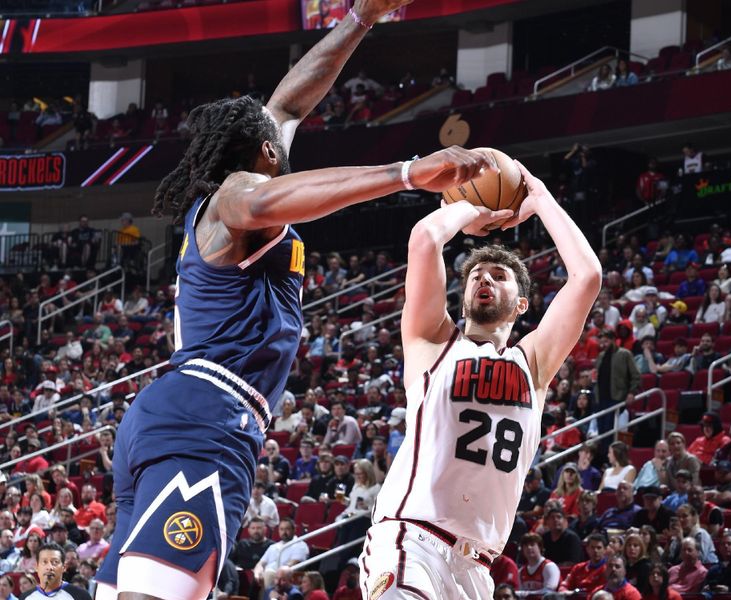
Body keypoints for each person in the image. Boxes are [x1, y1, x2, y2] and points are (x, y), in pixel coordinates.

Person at [94, 4, 499, 599]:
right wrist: (409, 172)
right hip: (207, 418)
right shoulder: (234, 196)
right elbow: (260, 199)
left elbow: (288, 103)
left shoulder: (241, 175)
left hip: (174, 416)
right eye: (275, 142)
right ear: (263, 152)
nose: (285, 138)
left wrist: (362, 17)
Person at [359, 160, 602, 598]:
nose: (484, 278)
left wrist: (540, 198)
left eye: (499, 275)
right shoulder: (432, 341)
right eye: (475, 274)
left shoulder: (534, 363)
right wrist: (472, 207)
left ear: (522, 304)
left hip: (476, 568)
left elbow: (586, 278)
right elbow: (425, 238)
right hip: (411, 539)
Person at [253, 518, 309, 590]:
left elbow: (293, 563)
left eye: (287, 529)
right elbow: (260, 564)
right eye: (281, 529)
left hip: (282, 576)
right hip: (267, 575)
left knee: (269, 574)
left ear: (294, 530)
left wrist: (276, 574)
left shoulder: (300, 545)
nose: (284, 532)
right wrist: (257, 574)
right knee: (255, 577)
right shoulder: (273, 546)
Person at [25, 543, 92, 599]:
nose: (49, 567)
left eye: (55, 562)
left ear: (64, 567)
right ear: (36, 567)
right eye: (44, 562)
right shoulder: (25, 597)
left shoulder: (80, 596)